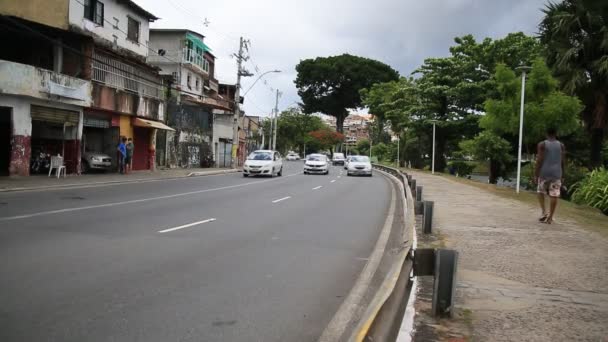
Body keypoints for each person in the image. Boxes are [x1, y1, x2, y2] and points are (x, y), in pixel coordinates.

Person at [534, 127, 565, 224]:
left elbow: (539, 160)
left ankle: (544, 212)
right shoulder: (561, 145)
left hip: (544, 172)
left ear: (546, 134)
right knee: (554, 194)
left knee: (540, 191)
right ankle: (550, 217)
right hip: (557, 173)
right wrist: (563, 174)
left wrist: (536, 174)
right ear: (556, 134)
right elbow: (563, 161)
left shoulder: (542, 144)